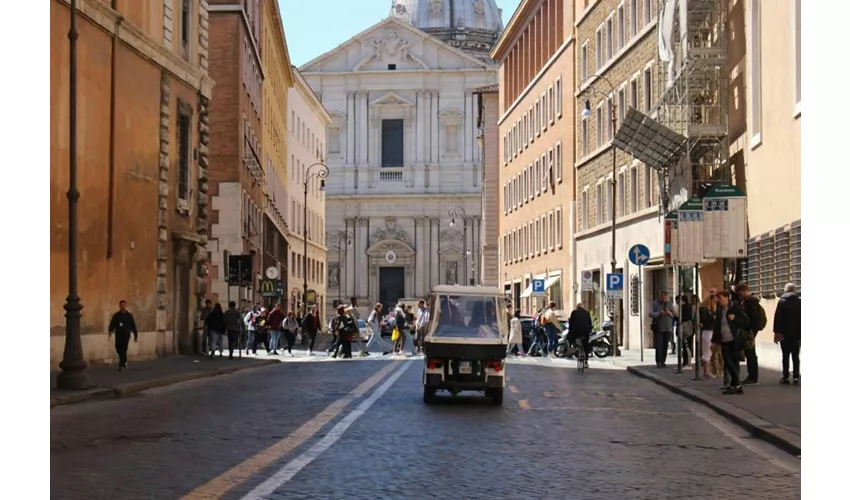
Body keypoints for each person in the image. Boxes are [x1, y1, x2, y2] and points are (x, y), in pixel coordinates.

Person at [712, 290, 749, 394]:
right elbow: (717, 325)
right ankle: (735, 385)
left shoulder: (735, 307)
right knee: (728, 362)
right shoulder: (720, 309)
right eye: (718, 298)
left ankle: (736, 385)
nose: (719, 300)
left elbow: (746, 322)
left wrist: (734, 318)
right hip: (724, 339)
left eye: (720, 298)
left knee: (733, 362)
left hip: (735, 339)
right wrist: (714, 341)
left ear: (727, 297)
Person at [735, 283, 765, 385]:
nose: (739, 296)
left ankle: (752, 377)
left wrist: (751, 331)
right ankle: (751, 376)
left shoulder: (751, 302)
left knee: (750, 353)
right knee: (749, 353)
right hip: (748, 331)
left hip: (749, 332)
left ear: (744, 291)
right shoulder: (748, 302)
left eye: (739, 294)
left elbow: (753, 318)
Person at [774, 283, 801, 385]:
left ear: (785, 291)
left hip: (784, 334)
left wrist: (776, 332)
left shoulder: (782, 302)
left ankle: (785, 376)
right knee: (795, 355)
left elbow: (778, 318)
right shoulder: (800, 302)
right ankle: (796, 376)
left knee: (785, 355)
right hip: (797, 334)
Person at [108, 300, 138, 371]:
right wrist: (110, 331)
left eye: (124, 305)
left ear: (126, 306)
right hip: (118, 335)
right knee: (118, 347)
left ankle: (122, 365)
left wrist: (135, 335)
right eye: (121, 305)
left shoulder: (129, 316)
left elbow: (133, 326)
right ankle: (124, 361)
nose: (123, 307)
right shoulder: (116, 315)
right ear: (119, 306)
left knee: (124, 349)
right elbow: (112, 324)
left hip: (126, 335)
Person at [649, 292, 677, 368]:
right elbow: (650, 314)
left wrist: (669, 313)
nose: (664, 299)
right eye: (663, 297)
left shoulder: (670, 304)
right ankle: (658, 361)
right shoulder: (654, 304)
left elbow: (675, 314)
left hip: (668, 328)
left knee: (665, 345)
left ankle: (663, 361)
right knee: (659, 345)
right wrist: (659, 313)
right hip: (658, 328)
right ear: (660, 297)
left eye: (666, 297)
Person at [698, 295, 717, 379]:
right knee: (707, 352)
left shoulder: (709, 310)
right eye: (714, 301)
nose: (715, 303)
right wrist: (713, 318)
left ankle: (707, 371)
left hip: (710, 331)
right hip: (707, 332)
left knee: (709, 352)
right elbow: (704, 321)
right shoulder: (704, 310)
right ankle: (706, 372)